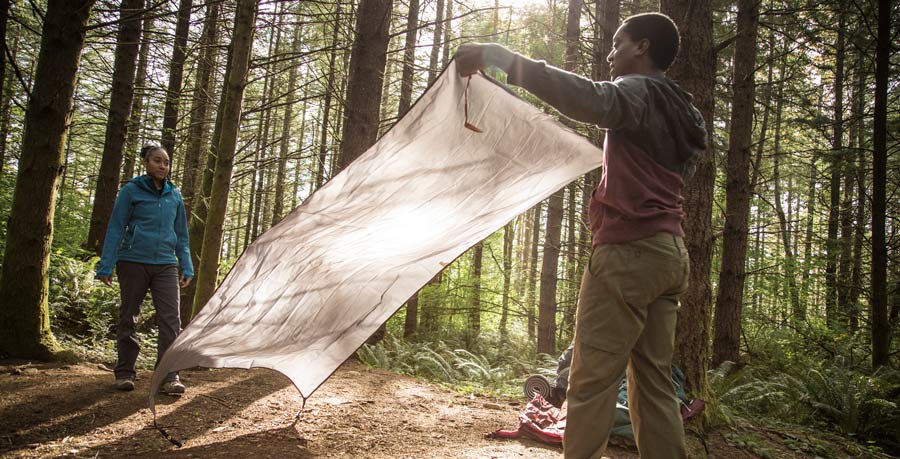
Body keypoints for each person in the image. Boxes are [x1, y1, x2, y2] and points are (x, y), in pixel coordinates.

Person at [455, 12, 707, 459]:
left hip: (627, 253)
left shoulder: (638, 91)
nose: (610, 54)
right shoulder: (682, 110)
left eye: (617, 44)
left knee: (590, 380)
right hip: (670, 254)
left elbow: (588, 99)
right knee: (653, 382)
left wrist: (501, 57)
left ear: (642, 47)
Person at [96, 143, 194, 395]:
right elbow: (116, 227)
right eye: (158, 161)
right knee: (129, 316)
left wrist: (187, 264)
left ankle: (169, 375)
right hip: (133, 261)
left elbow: (181, 234)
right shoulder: (131, 191)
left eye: (166, 162)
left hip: (165, 264)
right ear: (146, 163)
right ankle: (125, 372)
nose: (163, 166)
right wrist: (106, 264)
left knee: (171, 320)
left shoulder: (174, 194)